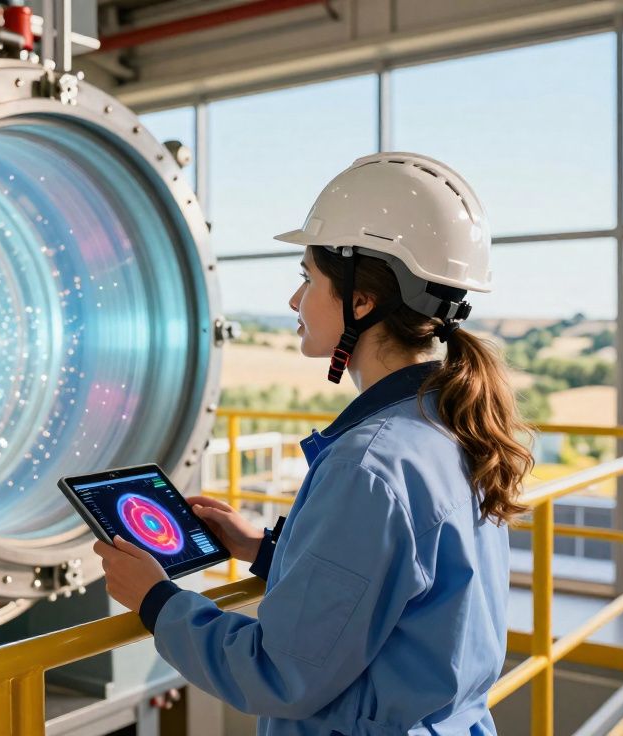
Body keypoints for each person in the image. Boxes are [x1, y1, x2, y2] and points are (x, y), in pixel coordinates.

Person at [94, 152, 533, 735]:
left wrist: (156, 601)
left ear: (361, 300)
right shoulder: (449, 425)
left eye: (307, 277)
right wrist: (270, 551)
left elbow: (277, 673)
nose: (295, 301)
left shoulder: (368, 466)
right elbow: (402, 593)